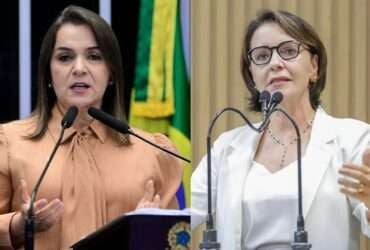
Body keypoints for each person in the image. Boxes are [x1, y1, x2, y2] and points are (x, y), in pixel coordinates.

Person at [0, 5, 183, 250]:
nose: (79, 68)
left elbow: (176, 240)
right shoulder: (10, 144)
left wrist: (145, 230)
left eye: (94, 56)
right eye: (65, 57)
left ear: (112, 74)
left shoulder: (151, 152)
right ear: (48, 73)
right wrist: (17, 226)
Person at [191, 9, 370, 250]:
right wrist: (162, 201)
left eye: (288, 51)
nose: (275, 64)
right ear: (252, 75)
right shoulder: (225, 147)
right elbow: (182, 218)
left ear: (314, 67)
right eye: (262, 56)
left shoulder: (354, 139)